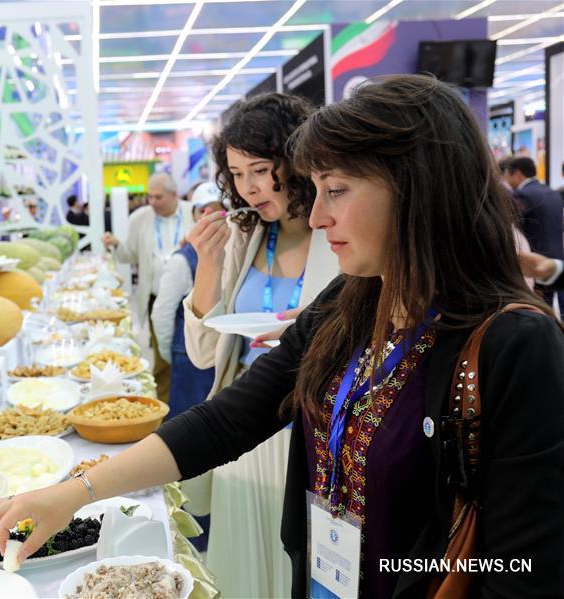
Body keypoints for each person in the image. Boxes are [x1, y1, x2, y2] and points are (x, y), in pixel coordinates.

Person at [0, 75, 564, 598]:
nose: (315, 218)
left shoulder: (515, 345)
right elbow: (232, 418)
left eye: (337, 191)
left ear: (418, 190)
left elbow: (522, 567)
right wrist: (75, 492)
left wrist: (398, 567)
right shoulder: (353, 303)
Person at [182, 93, 339, 598]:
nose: (248, 188)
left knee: (306, 572)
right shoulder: (243, 235)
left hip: (316, 434)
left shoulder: (339, 232)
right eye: (236, 173)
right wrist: (206, 265)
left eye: (260, 169)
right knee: (242, 576)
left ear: (295, 161)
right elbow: (206, 354)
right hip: (245, 430)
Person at [102, 173, 194, 401]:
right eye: (149, 196)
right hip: (157, 298)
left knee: (193, 355)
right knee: (164, 359)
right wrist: (116, 245)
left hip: (192, 299)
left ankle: (194, 405)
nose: (152, 201)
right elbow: (129, 256)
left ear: (174, 195)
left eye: (158, 197)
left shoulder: (193, 212)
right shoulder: (140, 218)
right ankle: (166, 411)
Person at [150, 181, 223, 419]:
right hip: (189, 360)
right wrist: (172, 353)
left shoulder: (239, 255)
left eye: (217, 208)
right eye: (202, 210)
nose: (209, 216)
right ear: (193, 215)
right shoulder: (182, 260)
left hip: (222, 359)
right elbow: (161, 314)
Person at [502, 157, 564, 311]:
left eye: (507, 175)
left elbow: (513, 229)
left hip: (534, 263)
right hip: (556, 258)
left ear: (517, 174)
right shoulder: (552, 191)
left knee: (536, 312)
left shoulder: (523, 195)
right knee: (550, 311)